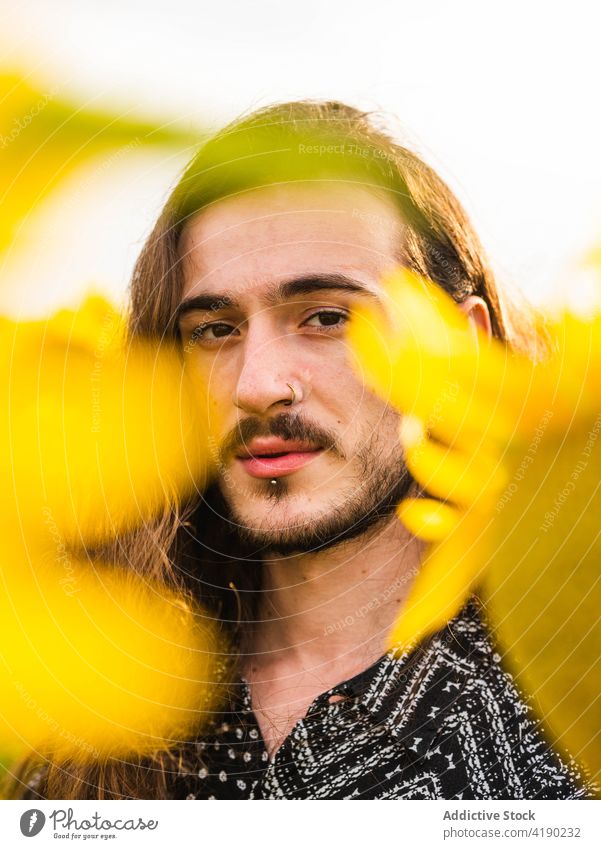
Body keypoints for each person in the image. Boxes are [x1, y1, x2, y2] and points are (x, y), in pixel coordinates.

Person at [14, 100, 593, 800]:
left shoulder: (569, 703)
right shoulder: (86, 710)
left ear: (457, 343)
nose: (257, 385)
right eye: (214, 329)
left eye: (325, 317)